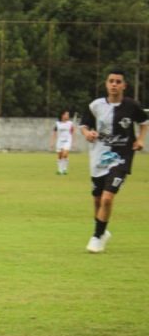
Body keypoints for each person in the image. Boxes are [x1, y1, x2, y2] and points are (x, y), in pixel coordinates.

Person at [79, 68, 148, 254]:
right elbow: (84, 125)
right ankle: (102, 232)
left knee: (108, 198)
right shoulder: (95, 106)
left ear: (124, 85)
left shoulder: (132, 106)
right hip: (99, 157)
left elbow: (144, 122)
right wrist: (88, 133)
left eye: (118, 81)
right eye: (111, 81)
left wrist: (140, 139)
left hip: (122, 157)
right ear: (106, 84)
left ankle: (96, 236)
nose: (114, 84)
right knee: (97, 200)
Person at [50, 110, 75, 175]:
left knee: (65, 154)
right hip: (59, 141)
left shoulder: (70, 123)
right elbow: (54, 133)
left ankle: (64, 169)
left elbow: (73, 132)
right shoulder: (57, 123)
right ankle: (60, 170)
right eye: (67, 114)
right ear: (62, 115)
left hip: (67, 141)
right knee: (60, 156)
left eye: (68, 114)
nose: (68, 116)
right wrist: (52, 142)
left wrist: (73, 142)